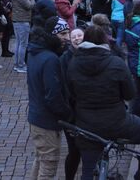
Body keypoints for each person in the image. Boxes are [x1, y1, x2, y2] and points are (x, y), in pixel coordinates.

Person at [66, 25, 140, 180]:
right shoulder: (116, 63)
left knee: (88, 169)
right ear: (104, 41)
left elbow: (71, 94)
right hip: (117, 124)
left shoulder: (73, 64)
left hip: (86, 127)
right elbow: (130, 94)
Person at [27, 16, 71, 179]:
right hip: (47, 121)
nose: (67, 38)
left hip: (37, 117)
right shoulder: (50, 59)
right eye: (63, 34)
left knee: (41, 160)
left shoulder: (35, 52)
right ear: (53, 35)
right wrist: (67, 114)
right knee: (48, 166)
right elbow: (53, 95)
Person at [60, 28, 84, 180]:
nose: (76, 39)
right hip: (72, 114)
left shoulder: (89, 55)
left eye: (79, 35)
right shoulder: (64, 58)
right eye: (74, 36)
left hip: (87, 112)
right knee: (74, 151)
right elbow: (64, 87)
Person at [12, 0, 35, 73]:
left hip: (18, 20)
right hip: (22, 20)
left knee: (18, 43)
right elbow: (29, 6)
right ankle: (20, 65)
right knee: (23, 44)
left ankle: (17, 64)